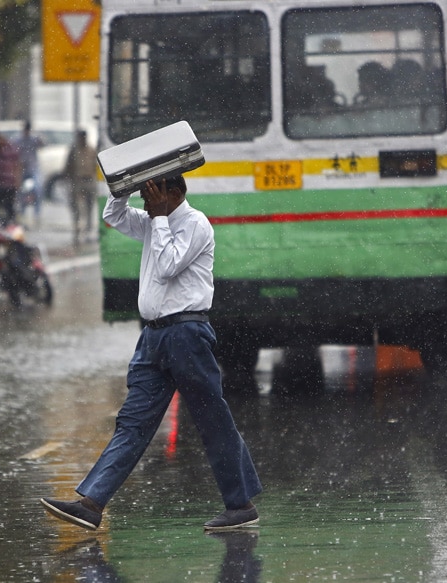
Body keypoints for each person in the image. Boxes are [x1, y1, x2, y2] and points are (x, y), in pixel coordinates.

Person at [40, 174, 262, 531]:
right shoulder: (151, 222)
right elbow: (113, 216)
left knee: (212, 420)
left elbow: (168, 264)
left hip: (187, 334)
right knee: (133, 422)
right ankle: (91, 504)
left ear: (174, 193)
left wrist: (158, 217)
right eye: (145, 194)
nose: (147, 200)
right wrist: (125, 189)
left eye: (153, 193)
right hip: (154, 338)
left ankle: (240, 505)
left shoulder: (195, 224)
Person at [64, 129, 98, 244]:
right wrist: (68, 180)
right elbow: (68, 166)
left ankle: (88, 231)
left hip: (89, 180)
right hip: (77, 181)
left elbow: (96, 165)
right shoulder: (74, 150)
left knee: (90, 206)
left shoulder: (91, 149)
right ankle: (77, 229)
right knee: (77, 207)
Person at [15, 121, 45, 225]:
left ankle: (37, 214)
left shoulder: (33, 139)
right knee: (21, 192)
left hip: (33, 168)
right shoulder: (18, 139)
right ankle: (22, 214)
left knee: (37, 190)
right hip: (22, 169)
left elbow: (42, 144)